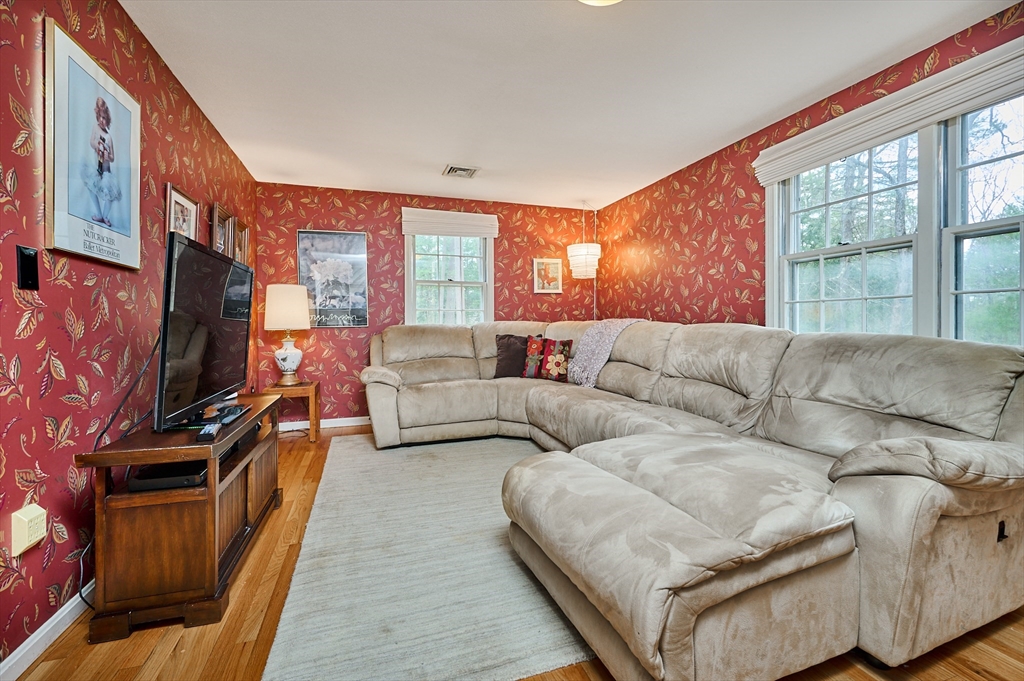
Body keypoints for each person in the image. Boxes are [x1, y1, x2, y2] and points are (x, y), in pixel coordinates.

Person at [80, 97, 122, 228]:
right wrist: (97, 146)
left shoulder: (109, 137)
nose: (102, 120)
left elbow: (113, 157)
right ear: (97, 116)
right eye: (100, 117)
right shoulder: (95, 127)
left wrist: (108, 156)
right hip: (96, 167)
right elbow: (91, 141)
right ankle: (98, 213)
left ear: (108, 120)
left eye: (104, 118)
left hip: (106, 171)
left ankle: (105, 216)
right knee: (92, 187)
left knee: (109, 194)